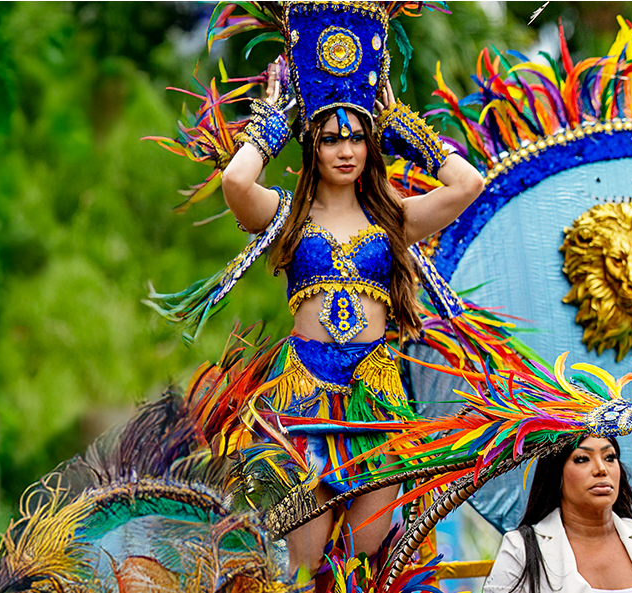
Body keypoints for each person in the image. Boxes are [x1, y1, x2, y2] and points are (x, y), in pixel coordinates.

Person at [147, 1, 485, 570]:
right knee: (301, 560)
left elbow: (466, 182)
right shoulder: (285, 218)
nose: (347, 150)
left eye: (357, 137)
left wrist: (402, 128)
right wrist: (275, 120)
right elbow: (235, 179)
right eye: (331, 138)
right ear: (311, 143)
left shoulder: (394, 219)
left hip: (376, 393)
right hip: (302, 394)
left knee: (373, 556)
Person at [484, 435, 632, 593]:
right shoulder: (521, 550)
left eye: (609, 457)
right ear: (557, 475)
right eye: (582, 459)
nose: (601, 469)